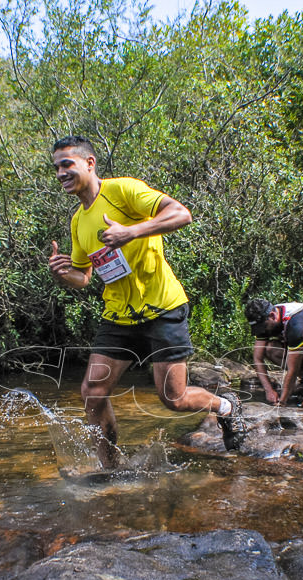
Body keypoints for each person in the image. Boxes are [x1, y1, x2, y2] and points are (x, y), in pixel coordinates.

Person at [47, 136, 245, 466]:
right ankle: (110, 467)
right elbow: (83, 277)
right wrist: (62, 273)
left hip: (161, 308)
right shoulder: (79, 220)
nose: (60, 173)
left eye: (67, 164)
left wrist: (131, 232)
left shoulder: (123, 190)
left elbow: (181, 214)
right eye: (56, 167)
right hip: (119, 315)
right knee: (92, 394)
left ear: (90, 163)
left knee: (174, 398)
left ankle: (226, 406)